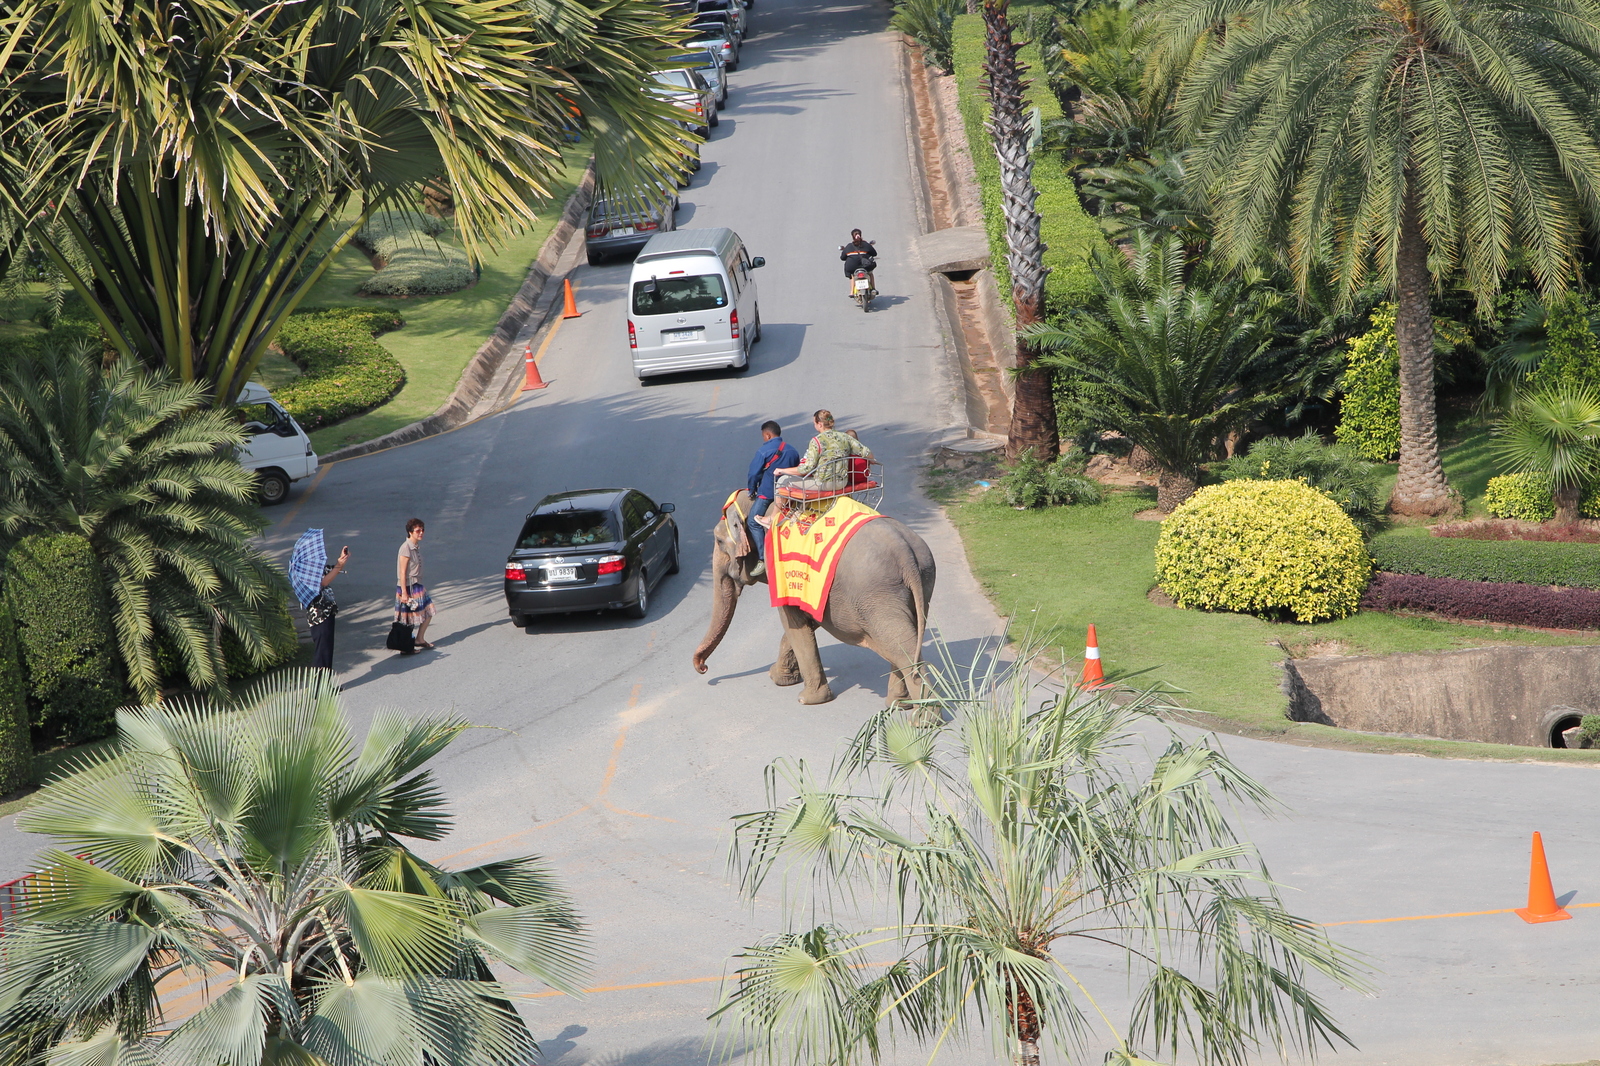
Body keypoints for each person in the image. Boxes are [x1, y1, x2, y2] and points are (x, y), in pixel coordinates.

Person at [746, 420, 800, 578]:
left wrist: (751, 489)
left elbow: (754, 474)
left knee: (753, 522)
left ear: (768, 435)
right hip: (788, 494)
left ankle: (763, 559)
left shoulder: (763, 451)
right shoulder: (793, 450)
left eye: (764, 436)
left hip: (768, 493)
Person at [775, 409, 874, 494]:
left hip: (823, 484)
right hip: (842, 482)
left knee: (783, 480)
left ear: (820, 424)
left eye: (814, 423)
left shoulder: (816, 441)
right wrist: (872, 460)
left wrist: (782, 470)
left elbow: (807, 468)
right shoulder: (845, 437)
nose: (814, 425)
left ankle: (776, 515)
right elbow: (866, 452)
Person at [396, 518, 436, 652]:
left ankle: (419, 639)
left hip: (417, 585)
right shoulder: (405, 548)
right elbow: (402, 572)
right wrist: (404, 593)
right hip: (408, 586)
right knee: (408, 618)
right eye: (418, 530)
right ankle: (406, 646)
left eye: (422, 530)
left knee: (428, 611)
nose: (421, 533)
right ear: (410, 532)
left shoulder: (415, 546)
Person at [307, 545, 349, 670]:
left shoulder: (317, 568)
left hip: (327, 612)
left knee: (327, 649)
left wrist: (340, 561)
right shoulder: (307, 571)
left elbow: (332, 571)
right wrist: (337, 566)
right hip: (319, 615)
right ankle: (320, 684)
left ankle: (326, 682)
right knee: (322, 651)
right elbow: (324, 582)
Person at [840, 229, 877, 297]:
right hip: (865, 266)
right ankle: (873, 289)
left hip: (852, 267)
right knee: (870, 273)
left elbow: (842, 258)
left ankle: (851, 292)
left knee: (852, 275)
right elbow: (874, 254)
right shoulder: (866, 244)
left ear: (852, 237)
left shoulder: (849, 246)